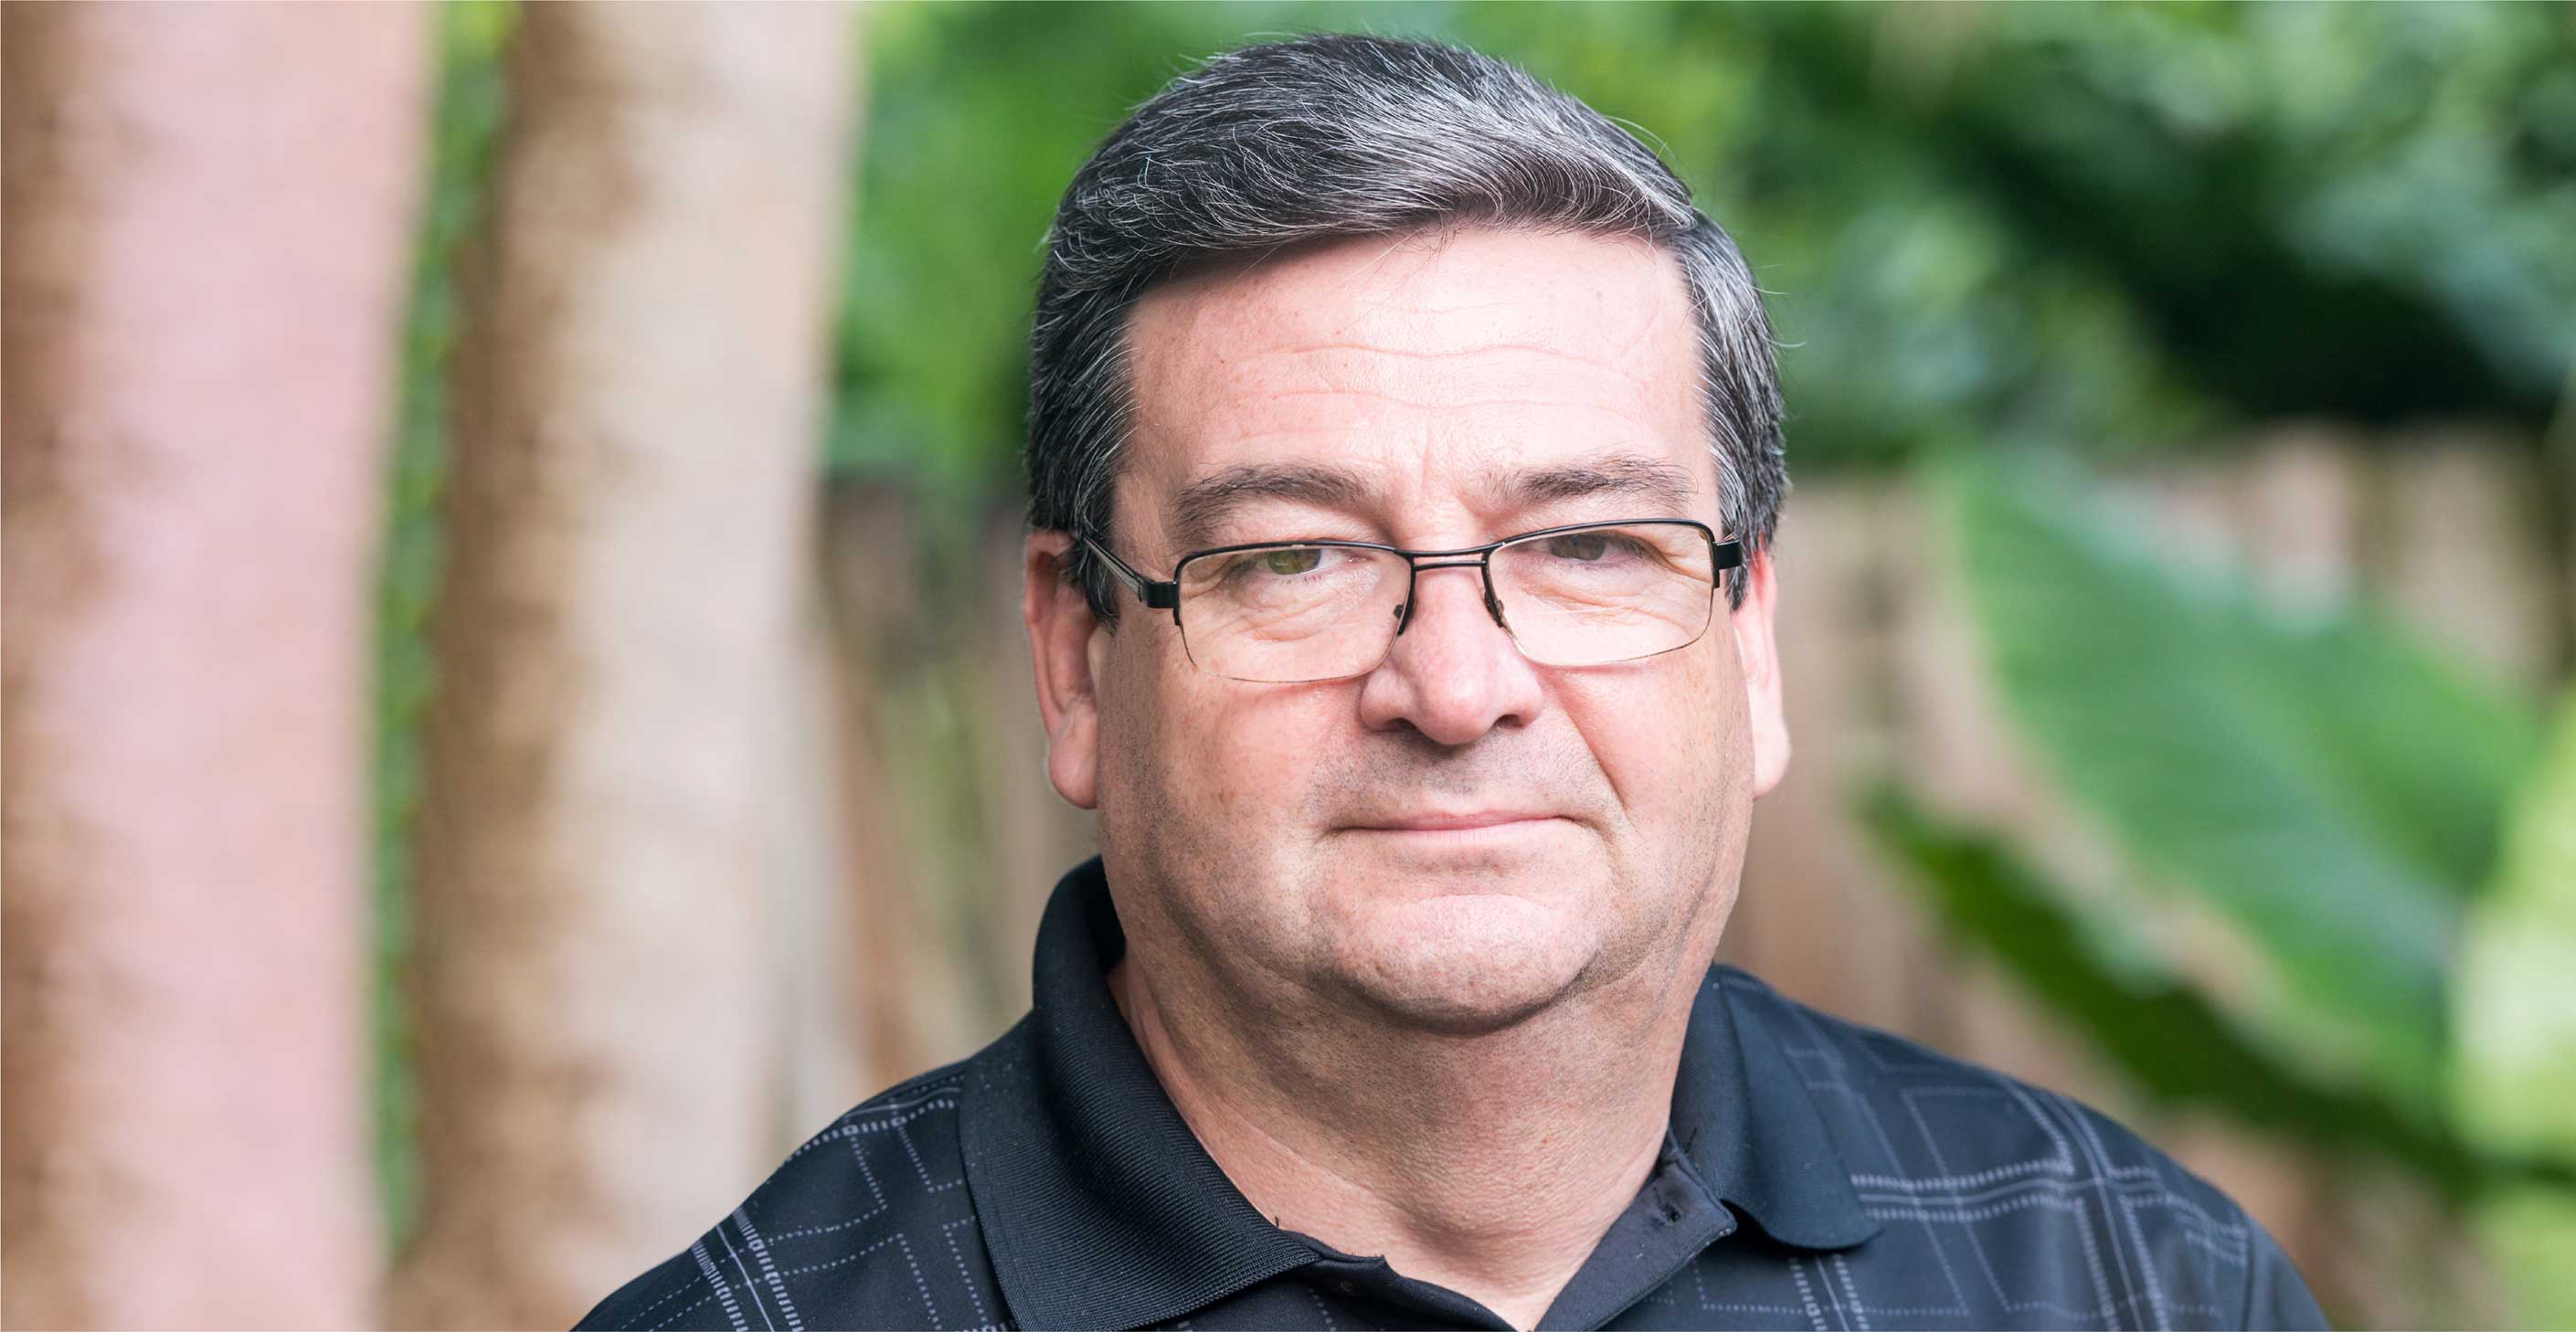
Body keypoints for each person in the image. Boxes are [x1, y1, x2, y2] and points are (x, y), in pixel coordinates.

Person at [580, 33, 2327, 1332]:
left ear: (1752, 643)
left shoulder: (2117, 1272)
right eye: (1295, 558)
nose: (1457, 683)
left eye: (1586, 546)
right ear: (1076, 658)